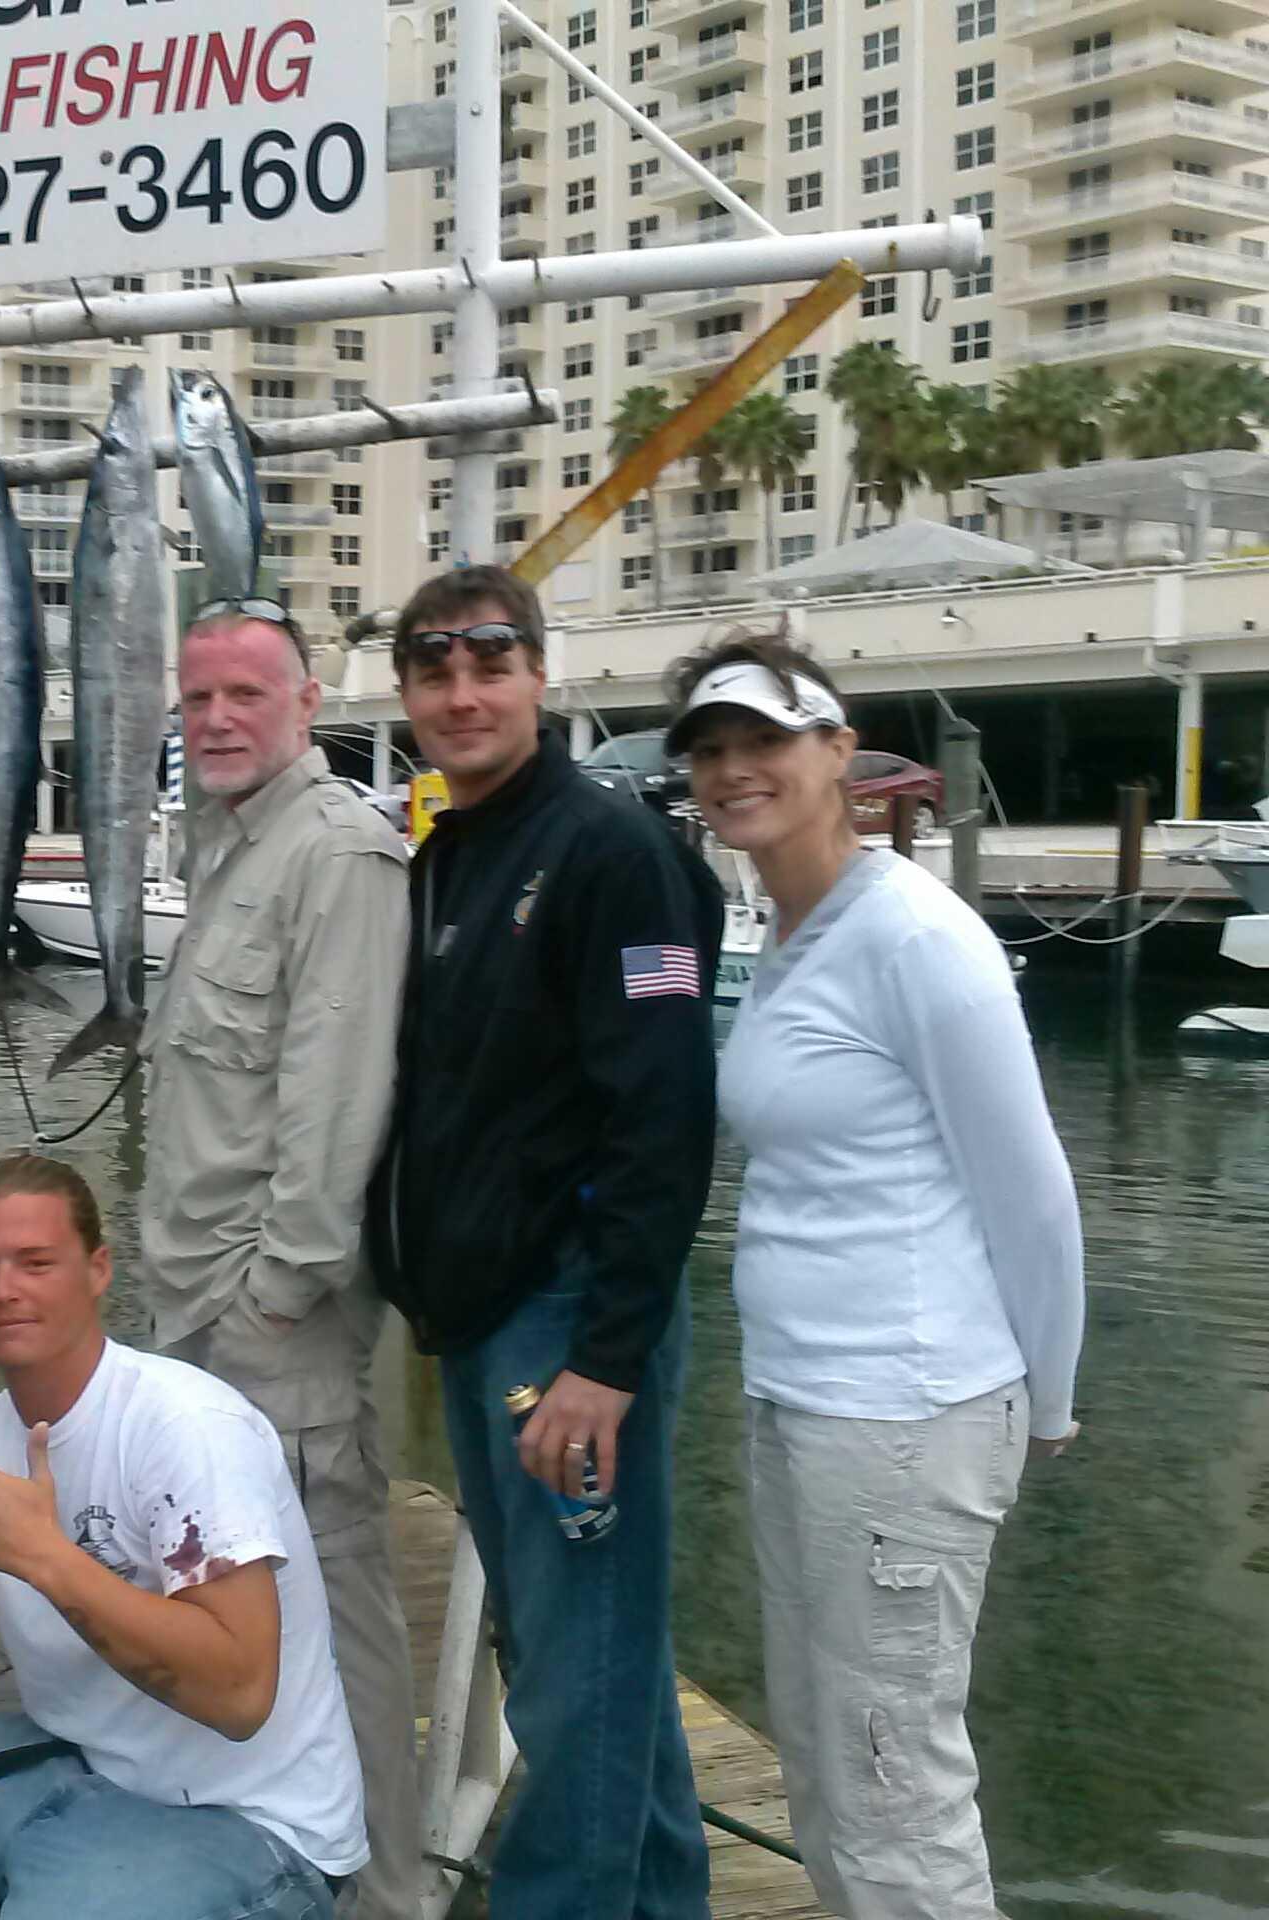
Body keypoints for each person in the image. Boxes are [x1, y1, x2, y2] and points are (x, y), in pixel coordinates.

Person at [667, 636, 1084, 1919]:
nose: (736, 770)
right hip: (807, 1405)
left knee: (896, 1789)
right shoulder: (792, 931)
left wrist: (1049, 1403)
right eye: (711, 748)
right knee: (832, 1777)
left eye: (764, 740)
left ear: (839, 751)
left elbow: (1034, 1193)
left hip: (906, 1417)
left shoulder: (916, 938)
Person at [365, 564, 722, 1920]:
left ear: (539, 678)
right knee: (595, 1663)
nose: (463, 692)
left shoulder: (611, 854)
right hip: (480, 1324)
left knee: (579, 1682)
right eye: (436, 669)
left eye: (490, 662)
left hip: (569, 1330)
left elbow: (664, 1120)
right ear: (406, 694)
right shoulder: (452, 852)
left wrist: (608, 1357)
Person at [0, 1151, 367, 1920]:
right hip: (84, 1771)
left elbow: (241, 1694)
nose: (4, 1290)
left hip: (250, 1824)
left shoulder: (185, 1428)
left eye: (35, 1263)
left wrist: (50, 1561)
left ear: (98, 1270)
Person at [136, 599, 423, 1913]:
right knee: (233, 1619)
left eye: (247, 693)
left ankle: (387, 1894)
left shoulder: (338, 855)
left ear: (308, 705)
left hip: (271, 1331)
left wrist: (272, 1296)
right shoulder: (227, 849)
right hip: (188, 1315)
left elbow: (333, 1109)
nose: (218, 719)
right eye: (198, 699)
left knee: (334, 1617)